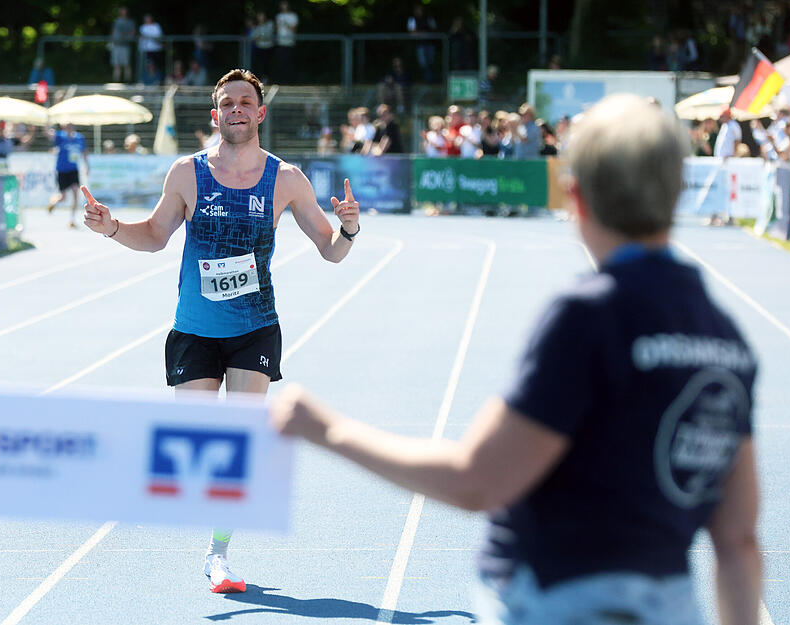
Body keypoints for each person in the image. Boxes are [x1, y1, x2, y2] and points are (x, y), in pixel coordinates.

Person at [270, 94, 761, 625]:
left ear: (576, 197)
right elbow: (737, 543)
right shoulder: (726, 336)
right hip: (668, 603)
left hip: (556, 597)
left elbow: (477, 479)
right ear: (677, 192)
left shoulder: (590, 315)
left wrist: (327, 430)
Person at [81, 69, 361, 594]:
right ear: (215, 115)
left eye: (245, 102)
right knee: (202, 443)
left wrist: (349, 227)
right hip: (195, 329)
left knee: (236, 439)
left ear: (259, 113)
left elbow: (331, 251)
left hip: (255, 328)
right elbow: (156, 237)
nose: (236, 109)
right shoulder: (187, 174)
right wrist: (112, 227)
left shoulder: (287, 179)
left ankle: (219, 554)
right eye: (226, 102)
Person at [46, 123, 89, 228]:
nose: (70, 128)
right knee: (63, 197)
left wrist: (87, 165)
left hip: (73, 170)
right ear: (64, 128)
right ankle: (53, 201)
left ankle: (72, 219)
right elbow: (48, 134)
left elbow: (84, 151)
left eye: (71, 126)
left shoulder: (79, 138)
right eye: (67, 126)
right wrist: (47, 121)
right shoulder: (60, 136)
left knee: (75, 192)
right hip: (62, 170)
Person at [110, 6, 136, 83]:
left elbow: (132, 33)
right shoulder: (116, 21)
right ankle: (116, 82)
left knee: (126, 64)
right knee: (116, 65)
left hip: (125, 46)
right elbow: (113, 33)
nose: (123, 12)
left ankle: (127, 82)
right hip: (116, 46)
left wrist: (124, 37)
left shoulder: (130, 22)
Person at [275, 1, 299, 83]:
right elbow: (277, 29)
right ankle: (282, 80)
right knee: (282, 61)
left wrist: (286, 24)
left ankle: (291, 80)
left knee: (289, 61)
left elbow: (293, 29)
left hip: (290, 42)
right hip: (281, 42)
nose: (283, 6)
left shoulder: (293, 16)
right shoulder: (279, 16)